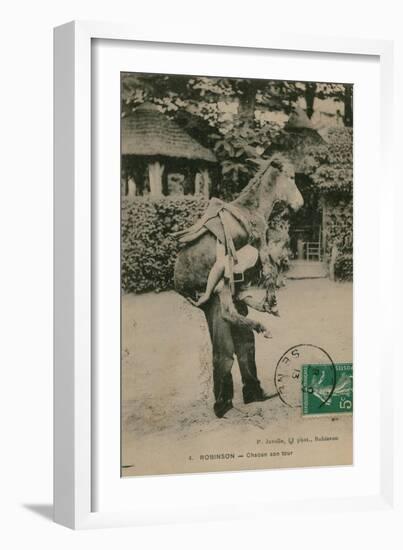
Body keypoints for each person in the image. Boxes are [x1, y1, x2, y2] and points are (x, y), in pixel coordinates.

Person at [192, 242, 259, 307]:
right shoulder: (251, 253)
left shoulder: (252, 254)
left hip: (251, 258)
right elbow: (221, 266)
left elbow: (221, 266)